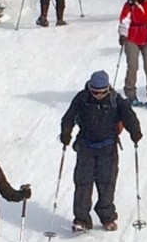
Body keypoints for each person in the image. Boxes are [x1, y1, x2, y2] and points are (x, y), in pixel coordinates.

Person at [59, 71, 142, 232]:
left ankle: (107, 217)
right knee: (83, 183)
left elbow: (129, 116)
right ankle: (82, 219)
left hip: (108, 147)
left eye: (101, 92)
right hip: (85, 146)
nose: (98, 95)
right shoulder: (82, 98)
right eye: (95, 91)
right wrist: (66, 133)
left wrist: (135, 132)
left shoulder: (115, 100)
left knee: (106, 182)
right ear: (90, 88)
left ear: (108, 89)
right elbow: (68, 117)